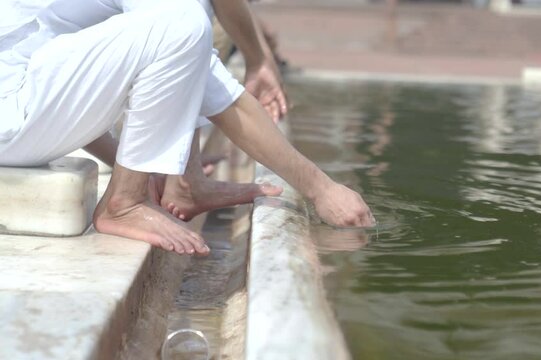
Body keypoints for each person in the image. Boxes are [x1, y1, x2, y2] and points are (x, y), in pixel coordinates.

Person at [0, 0, 375, 256]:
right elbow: (221, 95)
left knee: (182, 29)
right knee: (184, 23)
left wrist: (133, 163)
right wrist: (321, 188)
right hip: (11, 113)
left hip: (16, 108)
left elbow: (73, 94)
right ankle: (124, 203)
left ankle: (182, 183)